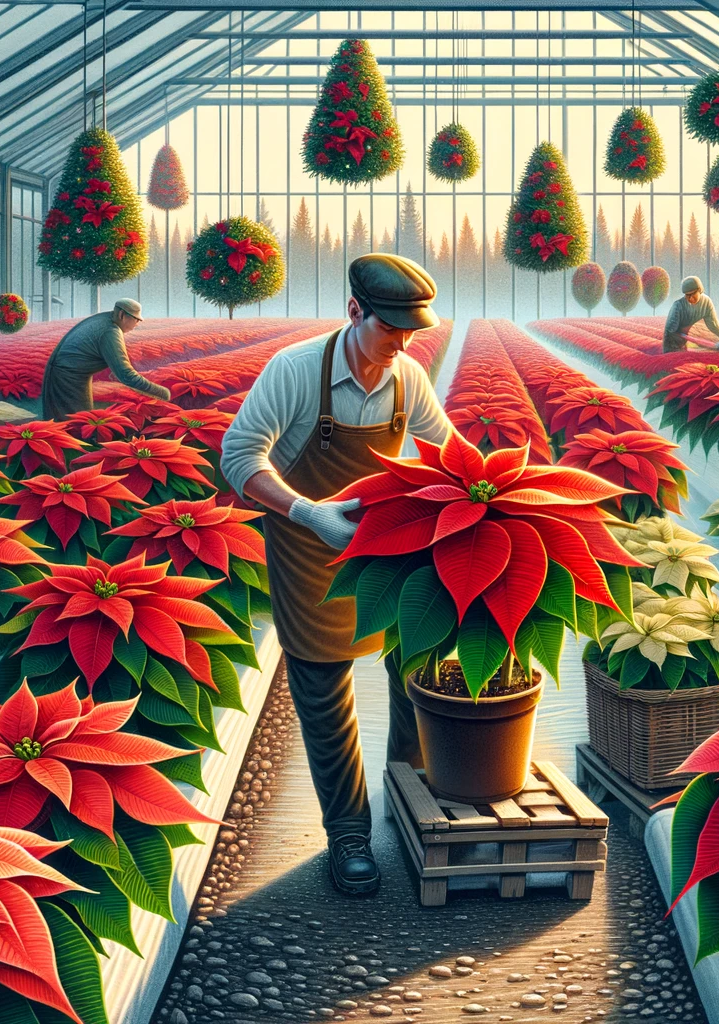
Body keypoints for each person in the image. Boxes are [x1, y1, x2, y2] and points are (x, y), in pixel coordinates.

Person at [222, 253, 454, 897]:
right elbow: (239, 456)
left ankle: (409, 805)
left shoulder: (408, 377)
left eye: (414, 333)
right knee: (325, 691)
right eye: (391, 329)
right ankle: (349, 834)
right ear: (355, 312)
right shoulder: (295, 372)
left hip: (383, 548)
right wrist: (308, 513)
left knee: (414, 671)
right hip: (309, 549)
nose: (404, 344)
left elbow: (444, 449)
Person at [39, 297, 171, 419]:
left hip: (67, 374)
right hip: (66, 379)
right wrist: (162, 393)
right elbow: (126, 375)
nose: (138, 323)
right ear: (122, 315)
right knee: (75, 426)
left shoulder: (106, 319)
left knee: (79, 423)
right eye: (136, 319)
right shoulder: (110, 331)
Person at [661, 275, 719, 352]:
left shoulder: (707, 302)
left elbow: (714, 325)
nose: (690, 298)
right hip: (673, 347)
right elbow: (671, 331)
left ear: (699, 290)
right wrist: (693, 339)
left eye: (692, 294)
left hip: (687, 343)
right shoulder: (677, 306)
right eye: (687, 295)